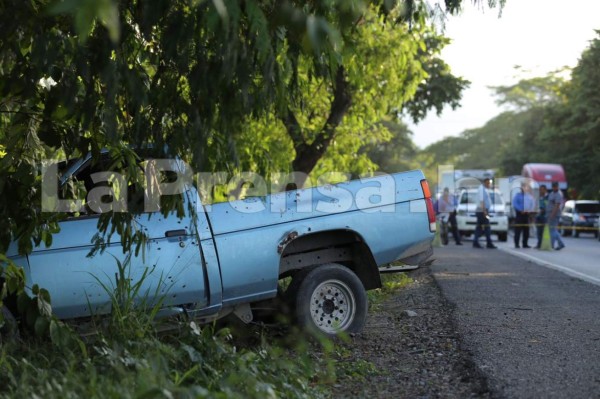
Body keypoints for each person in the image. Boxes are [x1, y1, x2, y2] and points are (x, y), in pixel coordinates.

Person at [473, 178, 497, 249]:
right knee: (487, 227)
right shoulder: (482, 189)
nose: (489, 185)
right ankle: (488, 243)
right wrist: (484, 211)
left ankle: (476, 241)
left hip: (482, 210)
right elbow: (482, 201)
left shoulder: (484, 189)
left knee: (479, 227)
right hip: (482, 211)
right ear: (485, 183)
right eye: (489, 183)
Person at [512, 182, 535, 248]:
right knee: (518, 230)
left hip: (526, 215)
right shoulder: (517, 196)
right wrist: (520, 210)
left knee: (526, 231)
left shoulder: (529, 196)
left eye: (525, 187)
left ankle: (525, 244)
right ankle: (516, 244)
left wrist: (529, 211)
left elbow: (532, 204)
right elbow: (515, 204)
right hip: (519, 214)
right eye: (523, 187)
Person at [547, 181, 565, 250]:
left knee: (552, 230)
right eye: (553, 186)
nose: (554, 187)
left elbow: (557, 206)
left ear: (558, 186)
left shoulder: (558, 194)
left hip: (554, 214)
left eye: (556, 186)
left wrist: (552, 215)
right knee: (553, 230)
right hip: (549, 213)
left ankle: (552, 245)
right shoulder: (552, 193)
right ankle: (561, 244)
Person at [535, 184, 548, 249]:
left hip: (544, 216)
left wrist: (543, 210)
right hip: (538, 216)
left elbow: (547, 206)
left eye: (542, 190)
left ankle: (543, 244)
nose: (540, 191)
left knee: (543, 231)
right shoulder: (539, 197)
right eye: (540, 190)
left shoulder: (547, 197)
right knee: (538, 231)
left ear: (545, 190)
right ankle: (539, 244)